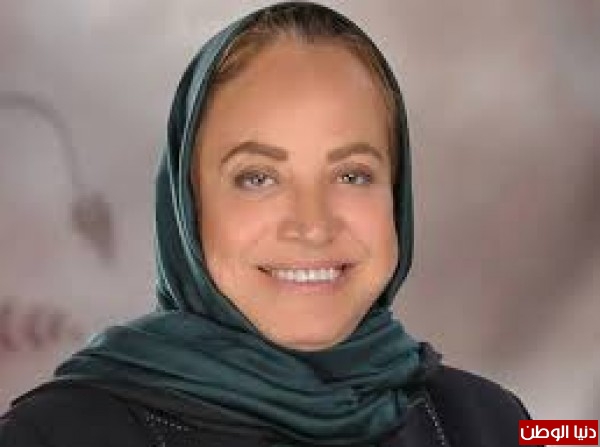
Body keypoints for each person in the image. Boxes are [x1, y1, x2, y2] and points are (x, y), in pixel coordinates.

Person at [0, 2, 540, 446]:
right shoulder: (51, 436)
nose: (313, 225)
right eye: (257, 178)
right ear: (188, 206)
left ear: (396, 194)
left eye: (352, 175)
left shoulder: (492, 423)